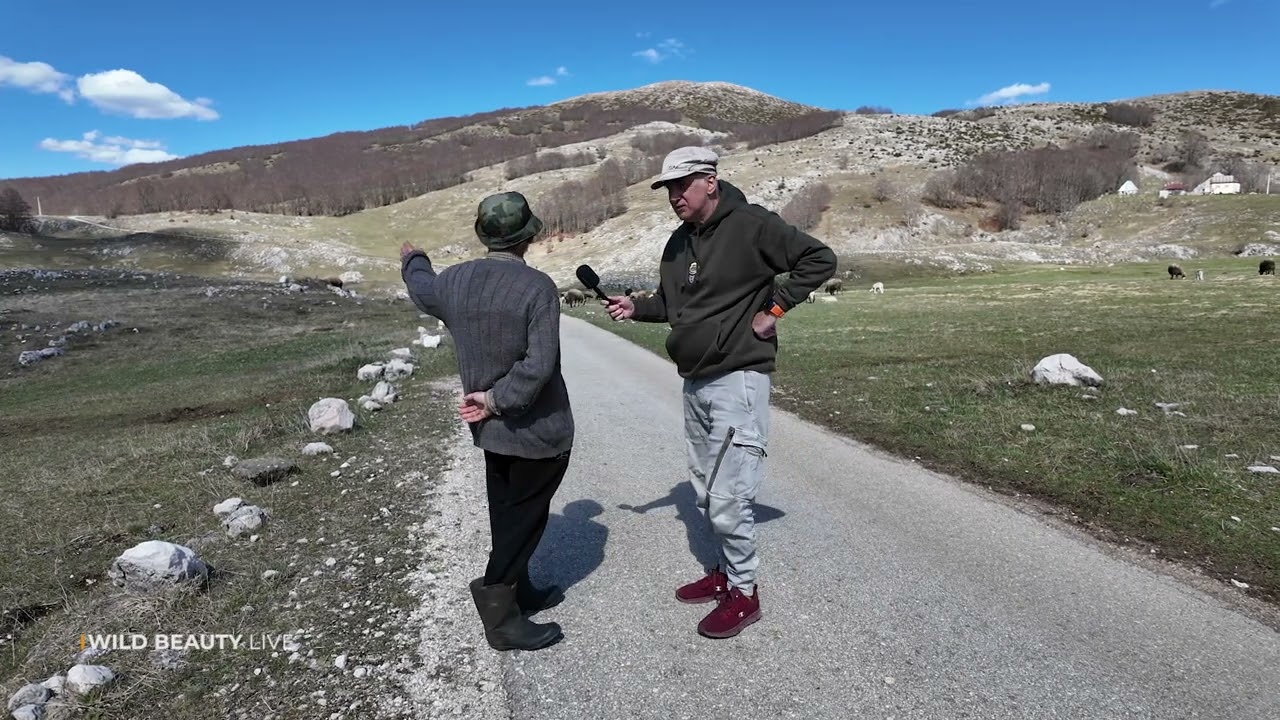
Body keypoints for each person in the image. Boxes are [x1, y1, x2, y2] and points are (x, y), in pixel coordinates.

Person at [603, 146, 836, 639]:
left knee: (730, 495)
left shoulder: (751, 224)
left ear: (710, 180)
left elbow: (819, 258)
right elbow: (673, 304)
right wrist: (638, 307)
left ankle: (745, 592)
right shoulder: (677, 243)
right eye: (668, 188)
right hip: (695, 380)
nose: (674, 196)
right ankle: (725, 573)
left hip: (738, 377)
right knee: (706, 492)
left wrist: (773, 311)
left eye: (681, 184)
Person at [401, 191, 573, 652]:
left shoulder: (453, 282)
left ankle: (520, 590)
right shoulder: (537, 286)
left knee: (506, 511)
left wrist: (413, 258)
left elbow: (421, 286)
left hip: (489, 431)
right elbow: (538, 365)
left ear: (484, 235)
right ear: (528, 236)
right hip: (539, 430)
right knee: (525, 519)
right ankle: (500, 618)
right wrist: (496, 400)